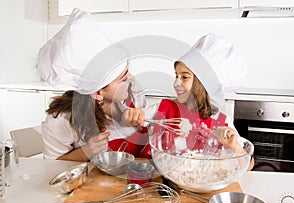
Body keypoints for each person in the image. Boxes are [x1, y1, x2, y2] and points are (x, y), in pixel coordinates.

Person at [124, 33, 254, 170]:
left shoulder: (222, 122)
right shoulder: (163, 108)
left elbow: (248, 165)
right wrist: (132, 116)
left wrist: (233, 146)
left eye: (184, 77)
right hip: (158, 178)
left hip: (199, 184)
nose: (176, 83)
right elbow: (129, 120)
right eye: (176, 76)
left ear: (204, 83)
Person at [38, 8, 148, 161]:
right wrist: (86, 151)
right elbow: (50, 165)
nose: (131, 78)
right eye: (123, 78)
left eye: (128, 71)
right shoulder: (61, 119)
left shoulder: (134, 93)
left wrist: (144, 119)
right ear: (97, 93)